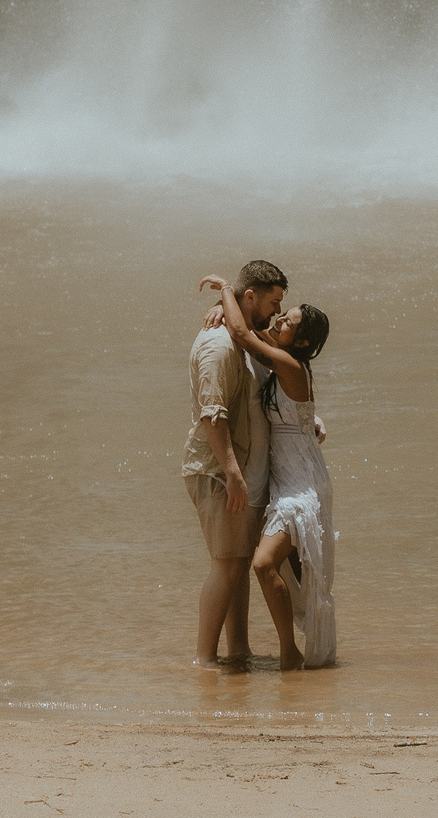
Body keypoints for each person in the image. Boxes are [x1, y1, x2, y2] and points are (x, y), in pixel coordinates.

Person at [202, 274, 335, 670]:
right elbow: (248, 328)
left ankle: (290, 653)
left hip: (303, 487)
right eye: (281, 315)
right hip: (286, 482)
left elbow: (244, 337)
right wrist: (223, 312)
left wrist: (225, 288)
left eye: (287, 322)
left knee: (263, 565)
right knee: (295, 574)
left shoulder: (291, 365)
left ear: (303, 341)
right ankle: (298, 655)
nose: (278, 322)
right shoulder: (280, 356)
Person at [183, 259, 286, 668]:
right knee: (225, 566)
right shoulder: (218, 345)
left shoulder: (240, 338)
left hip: (239, 472)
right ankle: (204, 659)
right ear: (250, 297)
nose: (276, 312)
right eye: (273, 302)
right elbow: (213, 414)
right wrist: (232, 473)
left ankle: (237, 652)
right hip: (218, 471)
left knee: (238, 566)